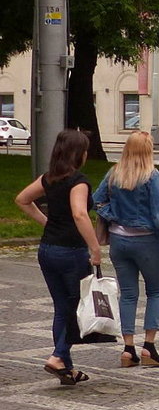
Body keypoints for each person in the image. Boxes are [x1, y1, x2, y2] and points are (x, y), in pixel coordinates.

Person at [14, 129, 102, 385]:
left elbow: (22, 199)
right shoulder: (79, 181)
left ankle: (66, 370)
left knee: (61, 308)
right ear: (79, 154)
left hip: (47, 250)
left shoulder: (49, 179)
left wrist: (47, 222)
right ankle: (58, 355)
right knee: (75, 307)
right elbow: (79, 214)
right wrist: (95, 248)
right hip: (72, 252)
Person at [94, 131, 159, 368]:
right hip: (146, 242)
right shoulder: (152, 176)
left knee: (128, 294)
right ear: (148, 150)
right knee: (155, 292)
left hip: (118, 241)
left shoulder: (114, 173)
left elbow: (97, 200)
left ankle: (128, 348)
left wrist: (115, 217)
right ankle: (149, 348)